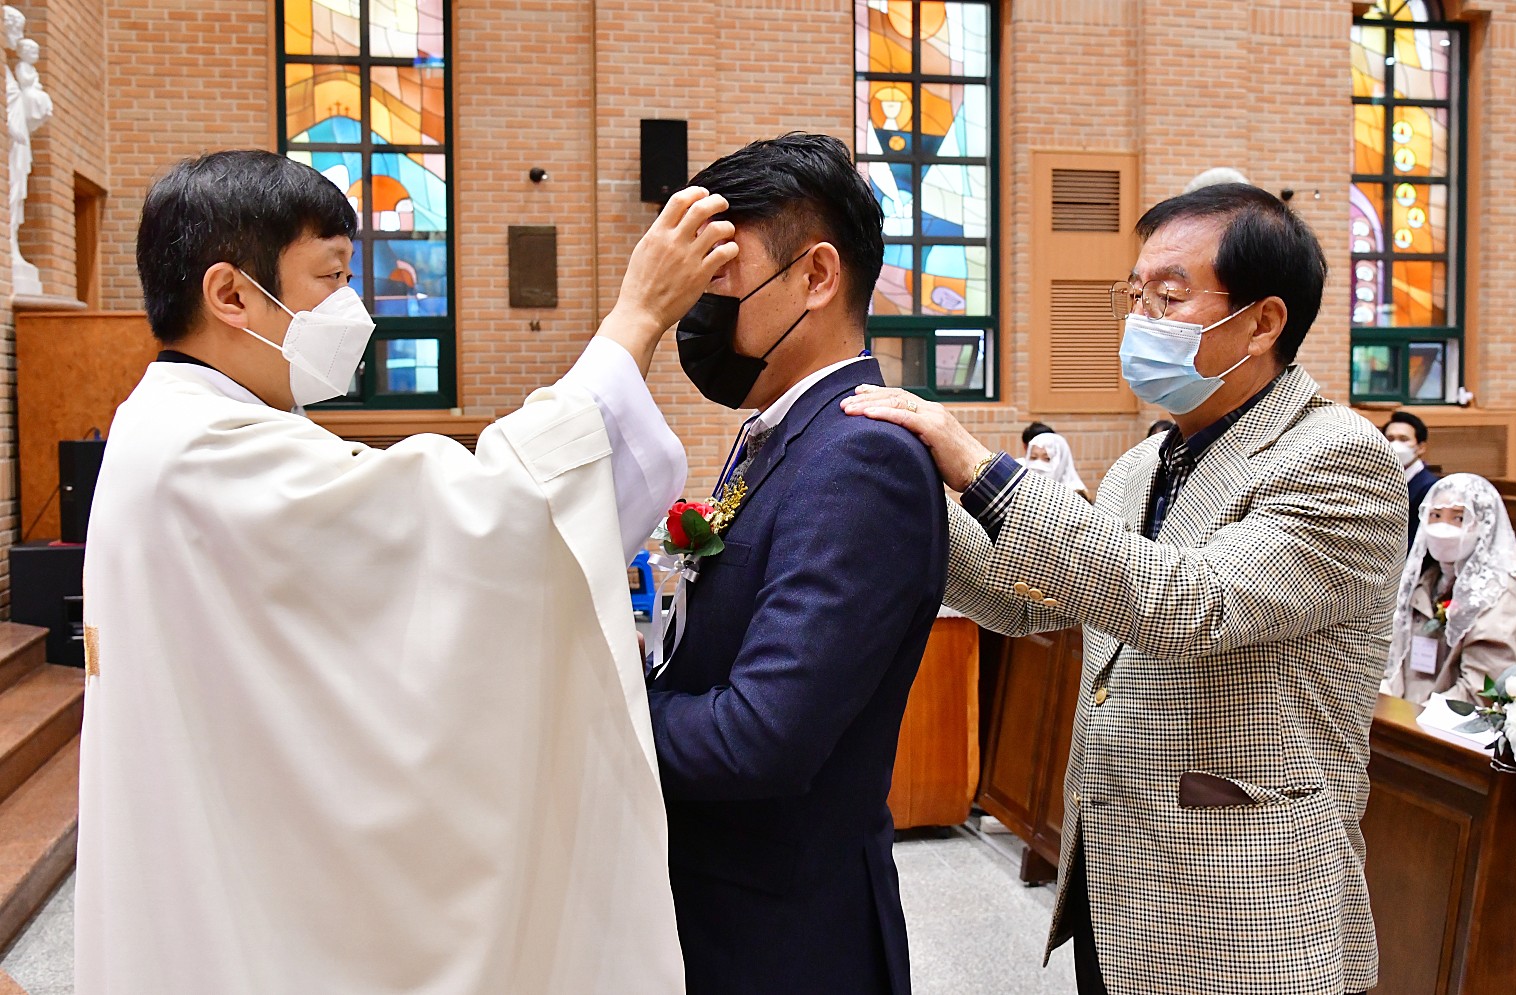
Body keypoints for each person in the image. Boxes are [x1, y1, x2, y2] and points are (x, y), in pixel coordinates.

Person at [75, 150, 737, 994]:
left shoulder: (169, 425)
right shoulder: (200, 455)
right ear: (231, 294)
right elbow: (489, 518)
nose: (350, 307)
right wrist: (634, 320)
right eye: (330, 277)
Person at [845, 182, 1406, 995]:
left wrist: (980, 468)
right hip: (1117, 885)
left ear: (1263, 322)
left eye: (1169, 297)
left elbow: (1190, 603)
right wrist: (910, 489)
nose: (1140, 318)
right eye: (1135, 294)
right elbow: (1025, 597)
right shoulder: (1146, 463)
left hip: (1248, 906)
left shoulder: (1338, 457)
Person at [648, 134, 947, 995]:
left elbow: (762, 735)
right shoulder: (784, 433)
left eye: (721, 280)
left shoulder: (858, 457)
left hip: (786, 935)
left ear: (816, 276)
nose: (698, 313)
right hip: (731, 907)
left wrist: (602, 712)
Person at [1380, 474, 1516, 704]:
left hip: (1446, 721)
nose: (1443, 528)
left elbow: (1481, 693)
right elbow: (1393, 660)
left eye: (1458, 518)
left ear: (1484, 526)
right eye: (1435, 516)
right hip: (1405, 711)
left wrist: (1415, 717)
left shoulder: (1501, 600)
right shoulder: (1424, 583)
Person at [1384, 410, 1439, 547]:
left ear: (1421, 448)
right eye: (1390, 439)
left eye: (1403, 439)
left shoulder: (1430, 487)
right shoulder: (1378, 480)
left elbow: (1421, 539)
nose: (1395, 445)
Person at [1023, 431, 1088, 497]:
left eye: (1047, 459)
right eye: (1033, 457)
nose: (1038, 465)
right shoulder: (1024, 487)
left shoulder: (1076, 494)